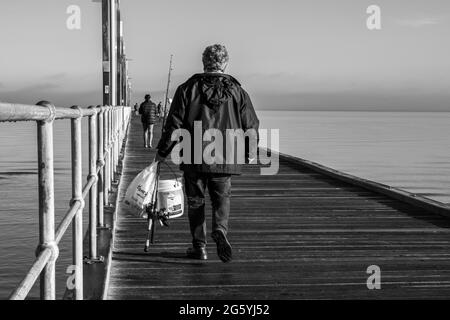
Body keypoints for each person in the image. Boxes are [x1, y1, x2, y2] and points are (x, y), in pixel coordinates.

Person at [155, 44, 259, 263]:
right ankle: (220, 230)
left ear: (204, 63)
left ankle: (199, 246)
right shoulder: (238, 92)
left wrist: (163, 152)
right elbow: (251, 124)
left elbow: (173, 124)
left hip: (194, 155)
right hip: (226, 155)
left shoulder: (187, 88)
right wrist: (250, 150)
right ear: (226, 64)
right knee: (222, 198)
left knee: (195, 201)